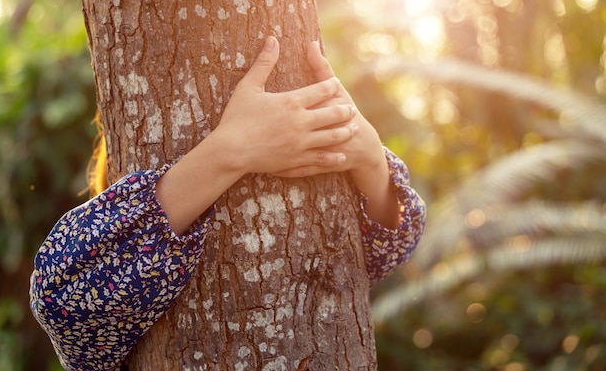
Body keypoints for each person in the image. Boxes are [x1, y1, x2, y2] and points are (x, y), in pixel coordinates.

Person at [30, 37, 426, 371]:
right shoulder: (101, 261)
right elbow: (61, 306)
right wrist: (230, 151)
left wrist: (371, 159)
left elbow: (381, 255)